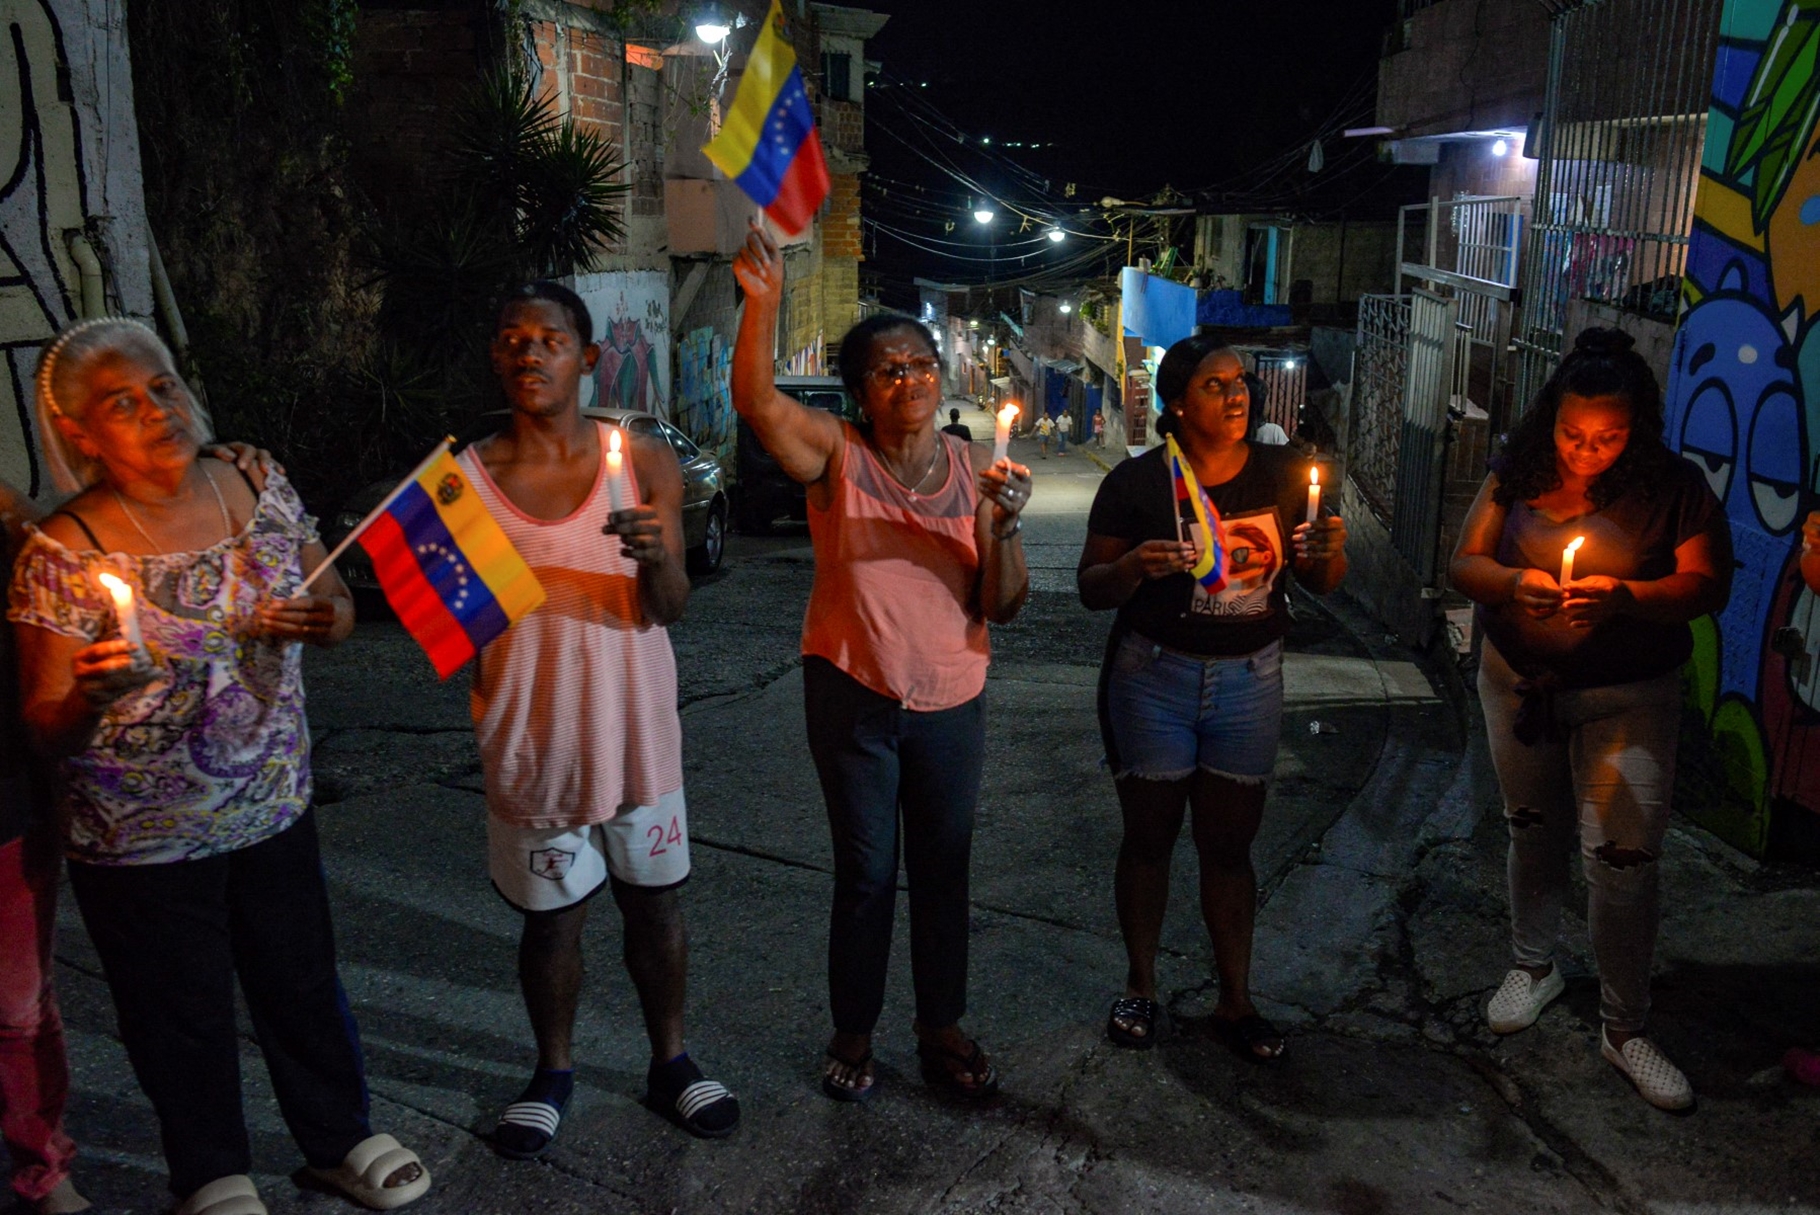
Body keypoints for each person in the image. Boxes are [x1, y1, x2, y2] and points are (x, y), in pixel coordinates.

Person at [9, 318, 431, 1215]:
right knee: (179, 1011)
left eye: (160, 385)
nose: (154, 409)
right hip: (142, 835)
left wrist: (330, 618)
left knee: (301, 976)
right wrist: (89, 694)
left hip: (273, 799)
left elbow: (337, 598)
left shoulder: (254, 476)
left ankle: (337, 1137)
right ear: (81, 434)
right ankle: (210, 1171)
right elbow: (44, 728)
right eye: (121, 403)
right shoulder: (62, 551)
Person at [731, 223, 1032, 1104]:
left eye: (923, 366)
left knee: (944, 868)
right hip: (853, 691)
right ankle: (853, 1030)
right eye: (891, 370)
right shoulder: (838, 456)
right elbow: (757, 402)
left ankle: (941, 1025)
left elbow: (1001, 604)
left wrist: (1005, 527)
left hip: (952, 699)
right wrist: (764, 304)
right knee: (866, 870)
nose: (913, 380)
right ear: (861, 391)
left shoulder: (979, 473)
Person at [463, 282, 738, 1150]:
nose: (528, 351)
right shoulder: (466, 480)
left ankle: (672, 1062)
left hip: (638, 734)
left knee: (657, 910)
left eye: (549, 337)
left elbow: (670, 607)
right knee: (552, 921)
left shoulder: (637, 462)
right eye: (511, 336)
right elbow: (455, 633)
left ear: (586, 358)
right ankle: (552, 1072)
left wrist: (660, 559)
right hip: (532, 739)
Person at [1449, 327, 1730, 1112]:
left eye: (1608, 436)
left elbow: (1710, 583)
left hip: (1629, 695)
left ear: (1637, 426)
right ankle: (1533, 965)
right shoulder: (1520, 468)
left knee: (1624, 857)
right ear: (1552, 419)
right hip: (1518, 682)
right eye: (1574, 433)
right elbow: (1462, 563)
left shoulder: (1673, 486)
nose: (1587, 450)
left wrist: (1627, 598)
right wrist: (1510, 584)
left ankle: (1624, 1024)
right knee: (1531, 823)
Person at [1077, 335, 1347, 1062]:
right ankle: (1141, 985)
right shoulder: (1137, 484)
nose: (1236, 395)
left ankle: (1236, 999)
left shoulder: (1285, 473)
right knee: (1149, 839)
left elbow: (1321, 580)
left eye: (1240, 382)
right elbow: (1091, 589)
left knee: (1230, 846)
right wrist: (1132, 566)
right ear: (1175, 403)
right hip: (1152, 679)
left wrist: (1328, 554)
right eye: (1213, 385)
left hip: (1248, 684)